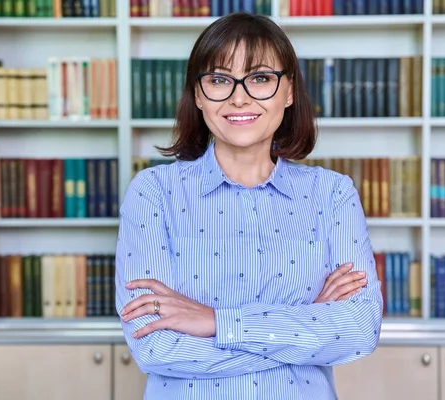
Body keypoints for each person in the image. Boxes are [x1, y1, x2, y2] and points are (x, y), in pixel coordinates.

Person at [115, 11, 383, 400]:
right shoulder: (153, 193)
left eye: (260, 78)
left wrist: (214, 321)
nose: (239, 96)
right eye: (220, 79)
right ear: (198, 95)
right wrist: (307, 326)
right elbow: (157, 349)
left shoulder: (332, 195)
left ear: (289, 91)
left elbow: (358, 329)